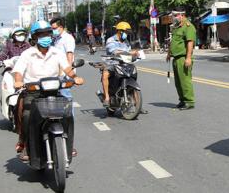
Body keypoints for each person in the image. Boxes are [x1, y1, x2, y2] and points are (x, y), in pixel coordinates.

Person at [12, 20, 84, 160]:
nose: (45, 37)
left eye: (47, 34)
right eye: (41, 34)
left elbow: (67, 68)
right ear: (34, 37)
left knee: (67, 115)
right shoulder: (27, 54)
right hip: (33, 92)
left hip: (54, 91)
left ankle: (68, 144)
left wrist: (75, 77)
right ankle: (25, 144)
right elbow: (19, 71)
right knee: (25, 114)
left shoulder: (57, 53)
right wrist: (18, 81)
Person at [100, 21, 139, 106]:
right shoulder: (110, 40)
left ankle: (137, 103)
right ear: (119, 31)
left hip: (124, 64)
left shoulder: (126, 42)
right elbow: (114, 51)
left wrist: (136, 53)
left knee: (132, 76)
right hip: (113, 63)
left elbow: (129, 52)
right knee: (105, 74)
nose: (127, 34)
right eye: (126, 32)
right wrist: (129, 53)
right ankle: (107, 97)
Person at [166, 8, 196, 110]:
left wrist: (188, 58)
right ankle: (182, 100)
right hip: (176, 58)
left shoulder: (188, 26)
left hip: (183, 57)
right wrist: (169, 53)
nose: (173, 18)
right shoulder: (176, 27)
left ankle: (189, 101)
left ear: (181, 15)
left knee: (185, 80)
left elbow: (190, 42)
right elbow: (173, 41)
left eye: (175, 15)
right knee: (178, 82)